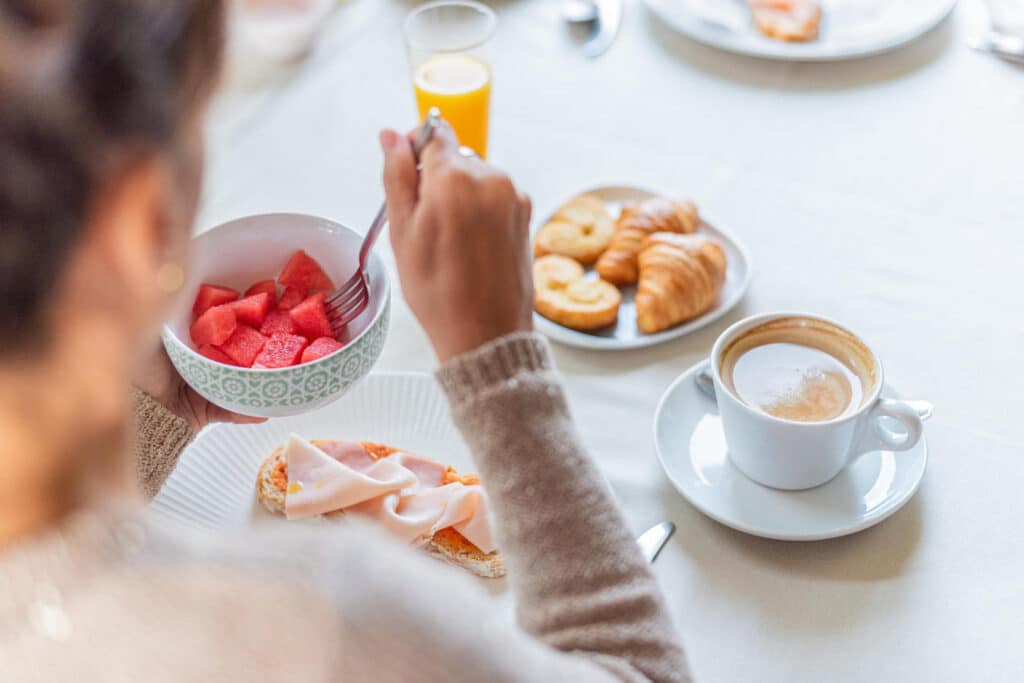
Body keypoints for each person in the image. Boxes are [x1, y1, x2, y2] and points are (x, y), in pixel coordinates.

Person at [0, 1, 690, 681]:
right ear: (141, 224)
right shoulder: (327, 623)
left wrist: (151, 417)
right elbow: (639, 668)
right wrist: (500, 359)